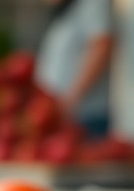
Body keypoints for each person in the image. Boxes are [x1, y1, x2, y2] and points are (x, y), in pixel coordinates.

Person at [36, 0, 115, 137]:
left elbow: (102, 45)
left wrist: (68, 102)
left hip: (87, 118)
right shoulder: (65, 13)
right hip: (64, 118)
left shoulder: (92, 4)